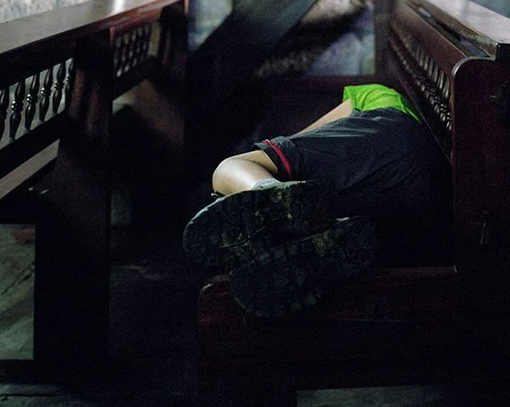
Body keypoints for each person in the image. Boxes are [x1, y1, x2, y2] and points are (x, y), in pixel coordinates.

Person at [183, 83, 448, 319]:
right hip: (425, 207)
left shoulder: (372, 94)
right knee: (298, 228)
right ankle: (311, 230)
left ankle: (270, 191)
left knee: (232, 166)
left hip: (392, 134)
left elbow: (297, 141)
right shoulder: (387, 101)